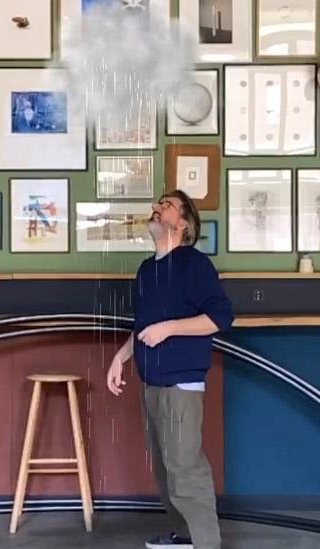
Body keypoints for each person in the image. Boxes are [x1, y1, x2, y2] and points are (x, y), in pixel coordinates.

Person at [106, 189, 233, 549]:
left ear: (184, 223)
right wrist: (121, 357)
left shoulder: (194, 264)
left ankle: (207, 543)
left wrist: (172, 327)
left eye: (166, 205)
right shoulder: (147, 270)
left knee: (185, 468)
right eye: (156, 203)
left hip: (182, 384)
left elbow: (221, 317)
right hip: (151, 383)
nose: (156, 209)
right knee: (164, 468)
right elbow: (143, 326)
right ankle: (184, 536)